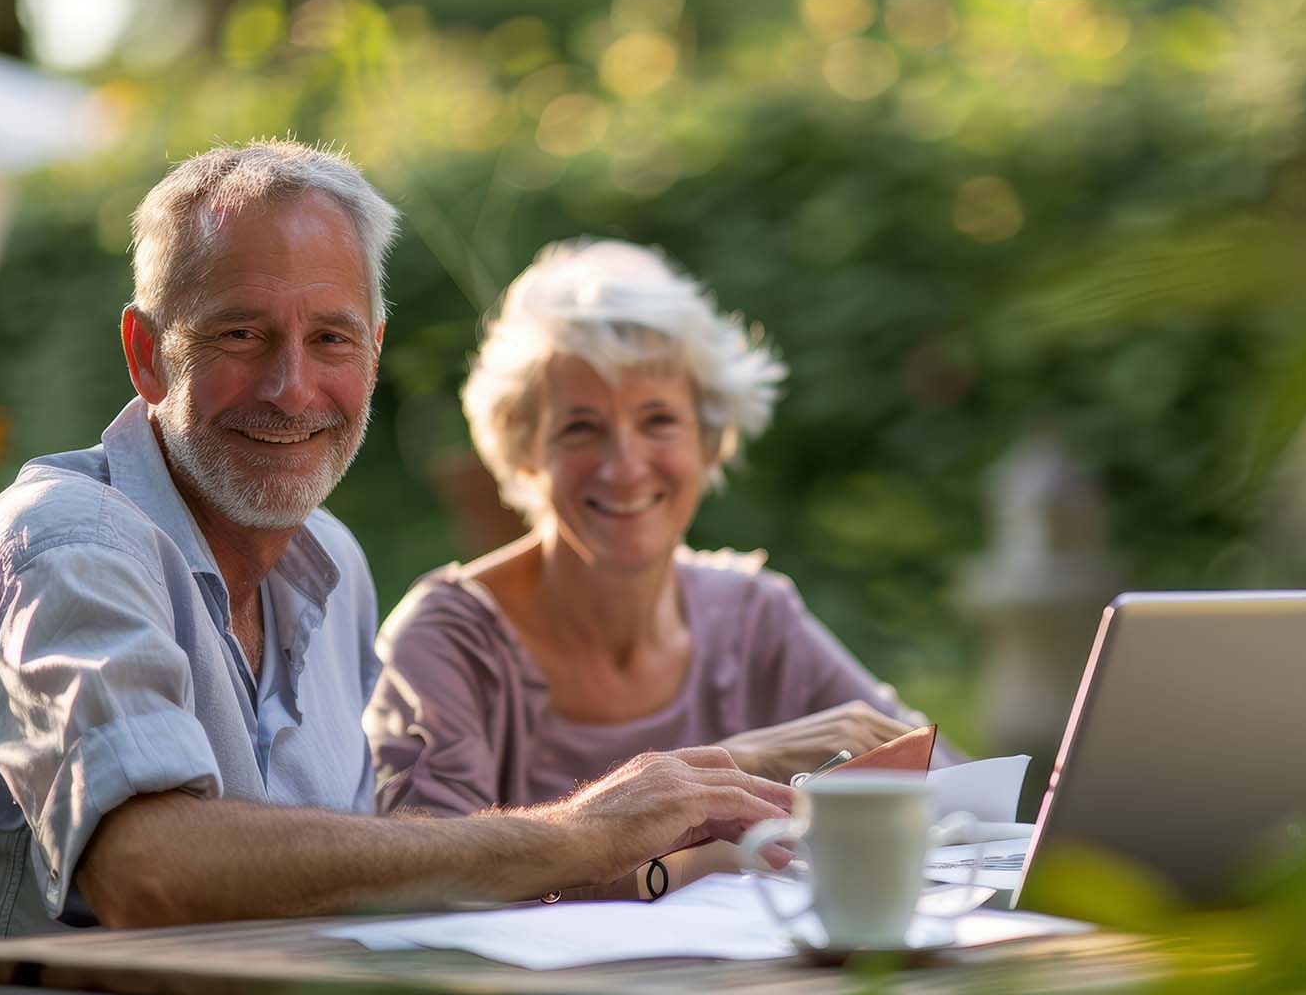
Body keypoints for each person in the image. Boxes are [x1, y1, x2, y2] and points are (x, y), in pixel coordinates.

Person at [0, 142, 793, 994]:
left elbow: (352, 889)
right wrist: (580, 832)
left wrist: (669, 841)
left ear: (376, 350)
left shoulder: (333, 565)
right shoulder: (69, 545)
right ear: (147, 355)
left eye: (331, 339)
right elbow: (152, 873)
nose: (292, 388)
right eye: (240, 335)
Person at [368, 239, 957, 822]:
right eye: (580, 428)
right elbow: (425, 871)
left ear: (711, 442)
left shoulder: (753, 618)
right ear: (523, 453)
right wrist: (734, 764)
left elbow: (952, 788)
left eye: (658, 421)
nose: (624, 466)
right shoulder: (448, 640)